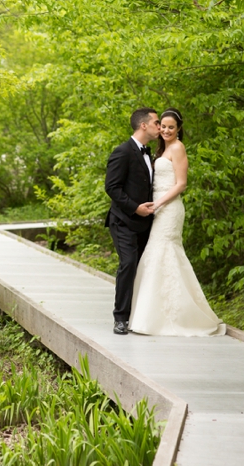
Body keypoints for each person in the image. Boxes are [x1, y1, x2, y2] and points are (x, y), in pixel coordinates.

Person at [129, 108, 225, 336]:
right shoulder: (163, 150)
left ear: (179, 129)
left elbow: (181, 184)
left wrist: (159, 203)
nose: (166, 130)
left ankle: (176, 315)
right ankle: (151, 315)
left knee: (166, 252)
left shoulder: (178, 148)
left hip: (169, 209)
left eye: (171, 127)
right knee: (156, 254)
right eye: (162, 126)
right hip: (159, 207)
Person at [104, 107, 160, 335]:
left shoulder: (152, 153)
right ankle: (120, 318)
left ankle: (142, 314)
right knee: (128, 264)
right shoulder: (122, 152)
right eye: (156, 122)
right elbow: (112, 187)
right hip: (123, 221)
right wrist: (135, 208)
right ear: (143, 125)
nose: (160, 126)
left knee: (146, 267)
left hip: (147, 223)